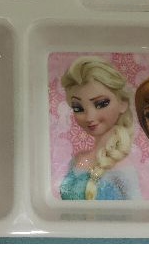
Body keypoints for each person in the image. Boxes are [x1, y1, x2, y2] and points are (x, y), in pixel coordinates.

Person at [59, 57, 138, 200]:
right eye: (78, 108)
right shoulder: (77, 160)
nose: (90, 117)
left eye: (101, 104)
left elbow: (137, 209)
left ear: (123, 103)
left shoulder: (125, 166)